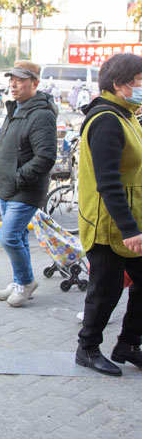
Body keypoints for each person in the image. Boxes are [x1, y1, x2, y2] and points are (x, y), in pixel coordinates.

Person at [75, 53, 142, 376]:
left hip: (129, 219)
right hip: (108, 224)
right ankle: (87, 348)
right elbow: (108, 182)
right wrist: (129, 229)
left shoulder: (127, 116)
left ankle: (128, 344)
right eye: (139, 81)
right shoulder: (106, 120)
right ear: (119, 84)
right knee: (105, 291)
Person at [0, 60, 57, 307]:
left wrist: (18, 178)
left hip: (25, 189)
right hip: (7, 187)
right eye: (12, 79)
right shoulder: (16, 108)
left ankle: (27, 282)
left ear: (35, 83)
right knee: (18, 236)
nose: (14, 85)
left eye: (20, 80)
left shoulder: (41, 114)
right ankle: (19, 280)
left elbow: (45, 157)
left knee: (9, 237)